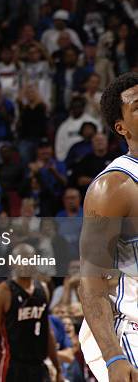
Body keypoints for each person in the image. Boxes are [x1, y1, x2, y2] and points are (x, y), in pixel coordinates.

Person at [78, 72, 138, 381]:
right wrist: (113, 356)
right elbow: (91, 282)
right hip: (128, 332)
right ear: (121, 127)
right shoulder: (114, 187)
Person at [0, 244, 63, 382]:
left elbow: (47, 331)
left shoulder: (43, 289)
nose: (25, 263)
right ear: (11, 262)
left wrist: (58, 369)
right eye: (21, 259)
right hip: (11, 366)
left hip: (38, 365)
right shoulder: (0, 292)